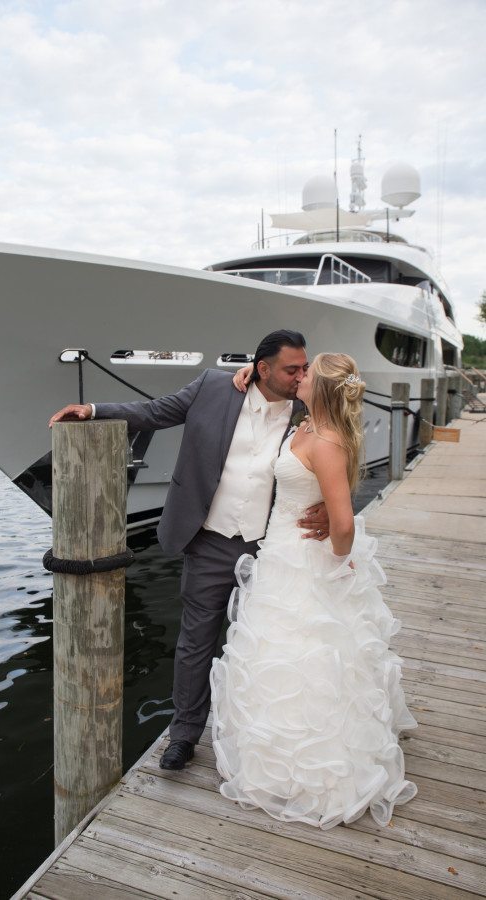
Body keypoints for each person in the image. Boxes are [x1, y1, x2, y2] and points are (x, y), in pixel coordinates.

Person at [48, 330, 330, 770]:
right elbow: (155, 411)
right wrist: (93, 409)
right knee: (195, 643)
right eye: (292, 369)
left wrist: (333, 509)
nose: (301, 375)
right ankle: (184, 734)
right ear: (263, 369)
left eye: (304, 368)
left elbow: (342, 453)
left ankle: (260, 731)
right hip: (210, 539)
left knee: (270, 641)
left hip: (274, 546)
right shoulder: (213, 386)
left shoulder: (310, 406)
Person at [210, 353, 418, 829]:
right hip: (280, 553)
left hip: (307, 561)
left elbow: (343, 523)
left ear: (319, 388)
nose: (297, 377)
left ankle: (318, 771)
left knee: (312, 656)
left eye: (306, 373)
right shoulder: (304, 425)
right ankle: (276, 758)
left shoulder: (325, 441)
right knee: (276, 654)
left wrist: (341, 564)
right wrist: (244, 372)